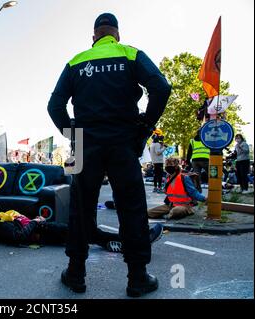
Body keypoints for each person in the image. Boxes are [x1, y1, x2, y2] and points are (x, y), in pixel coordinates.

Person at [47, 13, 171, 297]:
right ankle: (137, 277)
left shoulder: (77, 61)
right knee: (132, 208)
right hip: (123, 141)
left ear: (93, 38)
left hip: (84, 143)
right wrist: (145, 126)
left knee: (80, 207)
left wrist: (72, 134)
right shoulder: (130, 54)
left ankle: (76, 273)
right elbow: (161, 87)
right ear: (117, 35)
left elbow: (54, 105)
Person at [0, 205, 164, 253]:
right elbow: (19, 236)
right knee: (87, 232)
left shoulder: (2, 215)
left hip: (43, 228)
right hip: (43, 232)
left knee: (88, 234)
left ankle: (119, 243)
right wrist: (35, 221)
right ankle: (139, 241)